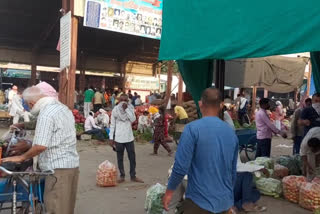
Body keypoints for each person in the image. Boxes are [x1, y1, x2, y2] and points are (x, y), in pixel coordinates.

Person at [3, 86, 79, 214]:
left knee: (55, 208)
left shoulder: (46, 113)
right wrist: (23, 125)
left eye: (28, 106)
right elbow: (46, 128)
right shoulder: (61, 108)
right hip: (70, 166)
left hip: (57, 170)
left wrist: (21, 157)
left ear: (31, 103)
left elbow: (40, 146)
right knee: (65, 208)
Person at [163, 88, 238, 214]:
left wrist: (169, 192)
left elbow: (180, 167)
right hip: (224, 202)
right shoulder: (231, 133)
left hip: (199, 202)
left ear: (200, 104)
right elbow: (232, 172)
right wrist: (229, 200)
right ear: (221, 106)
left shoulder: (192, 129)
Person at [109, 94, 143, 183]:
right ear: (119, 101)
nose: (123, 102)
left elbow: (132, 120)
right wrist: (111, 137)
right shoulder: (115, 110)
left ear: (128, 101)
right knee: (120, 157)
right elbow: (112, 125)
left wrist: (126, 109)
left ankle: (133, 176)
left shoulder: (131, 109)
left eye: (125, 100)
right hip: (119, 137)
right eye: (122, 100)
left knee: (132, 157)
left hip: (129, 137)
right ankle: (122, 176)